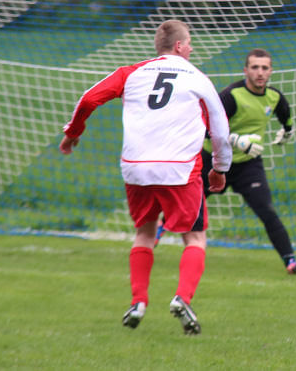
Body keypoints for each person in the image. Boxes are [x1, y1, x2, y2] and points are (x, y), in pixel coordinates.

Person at [59, 19, 232, 335]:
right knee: (194, 238)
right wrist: (220, 168)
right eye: (189, 42)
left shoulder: (131, 72)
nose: (192, 48)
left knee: (144, 234)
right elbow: (220, 129)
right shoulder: (197, 78)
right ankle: (183, 298)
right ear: (179, 46)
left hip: (136, 168)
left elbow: (88, 98)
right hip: (179, 169)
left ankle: (138, 302)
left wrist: (72, 134)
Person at [199, 48, 296, 274]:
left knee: (266, 210)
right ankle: (158, 231)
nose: (260, 72)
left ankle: (290, 261)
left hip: (248, 165)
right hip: (213, 161)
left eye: (264, 68)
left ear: (271, 71)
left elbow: (286, 117)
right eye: (255, 67)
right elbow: (206, 128)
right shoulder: (231, 96)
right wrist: (236, 140)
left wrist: (287, 132)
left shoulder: (274, 96)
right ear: (245, 70)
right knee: (189, 206)